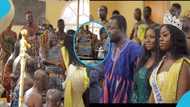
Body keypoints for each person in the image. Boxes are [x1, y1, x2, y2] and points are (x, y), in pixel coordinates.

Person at [103, 15, 142, 103]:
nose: (108, 31)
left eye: (112, 28)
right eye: (108, 28)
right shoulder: (110, 48)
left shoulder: (134, 49)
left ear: (122, 29)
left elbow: (139, 81)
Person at [149, 24, 190, 103]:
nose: (160, 39)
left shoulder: (182, 65)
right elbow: (153, 95)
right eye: (159, 36)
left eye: (165, 35)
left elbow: (182, 102)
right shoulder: (161, 62)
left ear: (175, 37)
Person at [131, 27, 161, 103]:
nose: (147, 40)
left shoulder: (162, 62)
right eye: (145, 37)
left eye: (152, 37)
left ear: (159, 39)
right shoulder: (142, 59)